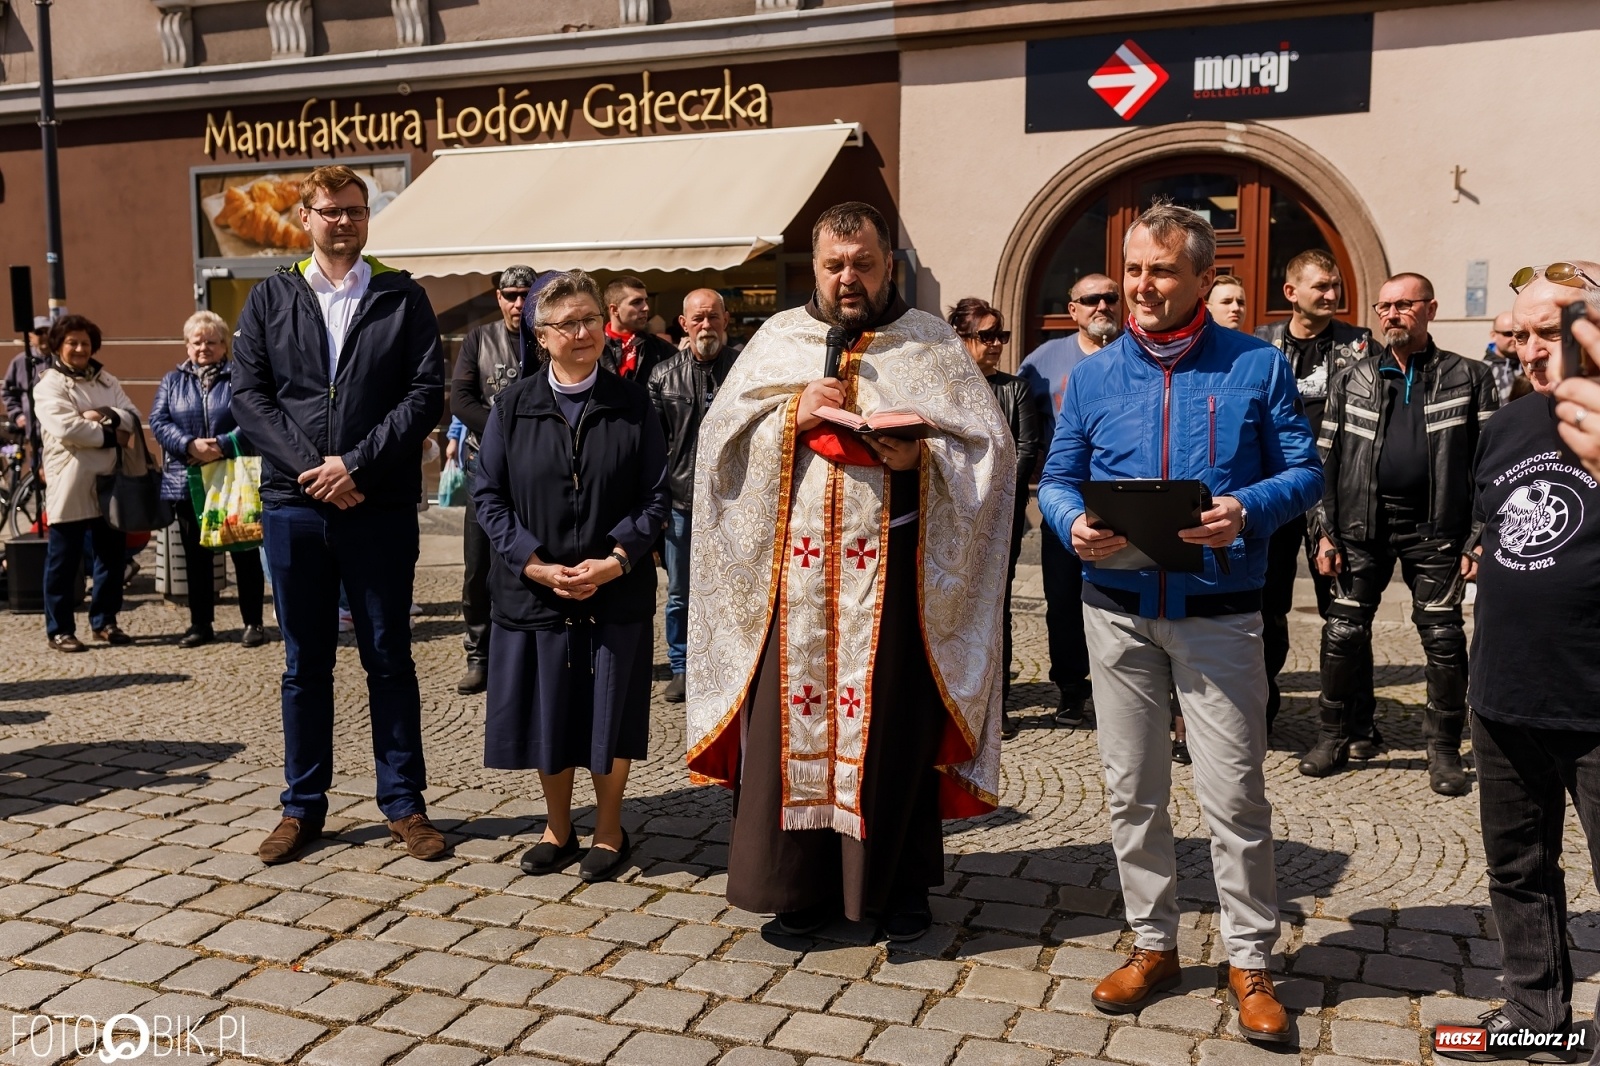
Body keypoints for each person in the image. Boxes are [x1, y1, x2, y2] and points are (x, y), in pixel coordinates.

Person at [687, 202, 1014, 942]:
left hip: (894, 582)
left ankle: (895, 890)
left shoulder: (930, 343)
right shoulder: (777, 339)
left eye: (862, 264)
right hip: (793, 582)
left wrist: (923, 456)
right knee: (786, 735)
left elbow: (992, 454)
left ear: (888, 264)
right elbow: (715, 451)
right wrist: (789, 418)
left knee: (894, 734)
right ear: (814, 266)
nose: (848, 278)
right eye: (834, 265)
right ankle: (797, 890)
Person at [1038, 201, 1320, 1041]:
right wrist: (1069, 523)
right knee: (1132, 794)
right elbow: (1058, 476)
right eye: (1133, 270)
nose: (1143, 286)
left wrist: (1249, 508)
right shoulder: (1092, 374)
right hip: (1116, 614)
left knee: (1235, 797)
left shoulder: (1254, 366)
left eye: (1162, 270)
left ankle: (1250, 959)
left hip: (1221, 613)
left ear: (1203, 278)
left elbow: (1305, 472)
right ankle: (1154, 943)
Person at [231, 164, 448, 865]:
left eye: (355, 210)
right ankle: (301, 808)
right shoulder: (270, 297)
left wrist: (353, 465)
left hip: (376, 504)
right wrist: (314, 470)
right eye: (331, 211)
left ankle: (405, 804)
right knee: (305, 665)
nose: (345, 222)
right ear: (306, 216)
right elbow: (249, 398)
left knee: (389, 658)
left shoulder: (401, 296)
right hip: (296, 507)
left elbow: (423, 395)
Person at [1435, 271, 1599, 1062]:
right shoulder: (1504, 426)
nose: (1531, 351)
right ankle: (1536, 1010)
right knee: (1517, 869)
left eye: (1550, 332)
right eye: (1519, 334)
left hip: (1596, 695)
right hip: (1504, 691)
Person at [473, 271, 668, 883]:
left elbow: (658, 497)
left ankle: (609, 829)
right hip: (536, 590)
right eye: (568, 324)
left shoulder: (634, 402)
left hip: (614, 588)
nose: (583, 333)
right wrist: (532, 560)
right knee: (549, 713)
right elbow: (489, 496)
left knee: (609, 710)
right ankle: (558, 825)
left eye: (590, 320)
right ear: (541, 336)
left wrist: (616, 560)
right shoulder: (513, 404)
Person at [1309, 272, 1497, 792]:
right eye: (1383, 306)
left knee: (1442, 638)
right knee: (1342, 633)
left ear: (1430, 309)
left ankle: (1443, 750)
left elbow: (1489, 465)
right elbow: (1323, 459)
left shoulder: (1470, 377)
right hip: (1358, 526)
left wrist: (1480, 535)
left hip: (1438, 529)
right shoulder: (1353, 379)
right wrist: (1323, 532)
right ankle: (1333, 736)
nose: (1391, 314)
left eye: (1403, 305)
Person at [1253, 249, 1375, 732]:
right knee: (1266, 608)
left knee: (1344, 613)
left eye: (1335, 287)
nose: (1331, 295)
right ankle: (1259, 710)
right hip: (1276, 490)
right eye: (1320, 286)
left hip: (1338, 494)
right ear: (1291, 292)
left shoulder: (1361, 346)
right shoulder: (1260, 346)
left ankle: (1355, 721)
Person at [1016, 272, 1121, 729]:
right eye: (1091, 299)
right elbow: (1020, 420)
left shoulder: (1134, 352)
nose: (1102, 305)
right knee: (1062, 601)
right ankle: (1071, 690)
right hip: (1065, 505)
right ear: (1072, 310)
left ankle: (1119, 691)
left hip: (1122, 503)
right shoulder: (1043, 360)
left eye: (1110, 297)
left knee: (1120, 601)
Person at [148, 310, 267, 649]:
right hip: (188, 480)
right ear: (187, 345)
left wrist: (225, 444)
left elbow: (255, 414)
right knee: (196, 557)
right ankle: (201, 624)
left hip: (234, 477)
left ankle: (253, 622)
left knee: (244, 549)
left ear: (224, 344)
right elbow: (158, 420)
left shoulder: (240, 376)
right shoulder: (172, 381)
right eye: (197, 342)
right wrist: (189, 445)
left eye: (211, 341)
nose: (204, 348)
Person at [950, 297, 1040, 740]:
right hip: (951, 516)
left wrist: (993, 492)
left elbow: (1027, 449)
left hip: (1001, 515)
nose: (996, 345)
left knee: (996, 607)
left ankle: (995, 703)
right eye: (986, 336)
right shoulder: (947, 386)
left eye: (1000, 336)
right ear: (962, 339)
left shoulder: (1015, 388)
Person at [647, 289, 738, 704]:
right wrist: (657, 506)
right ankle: (681, 666)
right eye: (697, 319)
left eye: (713, 317)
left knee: (733, 587)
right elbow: (651, 449)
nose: (706, 326)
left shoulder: (744, 369)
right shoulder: (662, 377)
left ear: (726, 320)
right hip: (682, 504)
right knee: (681, 593)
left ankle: (729, 665)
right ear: (683, 325)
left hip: (735, 501)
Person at [32, 315, 143, 652]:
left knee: (111, 557)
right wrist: (112, 433)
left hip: (110, 481)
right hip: (71, 483)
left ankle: (105, 622)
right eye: (72, 343)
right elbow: (68, 429)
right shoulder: (49, 384)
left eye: (85, 343)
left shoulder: (106, 379)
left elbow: (132, 415)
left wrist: (100, 415)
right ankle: (60, 629)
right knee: (64, 562)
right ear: (58, 346)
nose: (80, 349)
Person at [449, 265, 535, 695]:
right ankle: (478, 654)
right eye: (510, 295)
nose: (518, 304)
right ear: (498, 297)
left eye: (525, 294)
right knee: (478, 568)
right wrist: (503, 431)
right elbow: (461, 399)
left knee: (531, 564)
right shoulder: (479, 340)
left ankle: (525, 653)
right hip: (485, 470)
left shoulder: (547, 337)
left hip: (538, 474)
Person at [602, 276, 676, 384]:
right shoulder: (592, 346)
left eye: (646, 301)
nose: (646, 308)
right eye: (636, 302)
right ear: (614, 309)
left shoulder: (662, 350)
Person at [3, 317, 49, 443]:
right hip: (33, 432)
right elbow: (8, 392)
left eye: (48, 331)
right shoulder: (20, 361)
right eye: (39, 332)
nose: (45, 336)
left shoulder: (63, 360)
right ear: (30, 336)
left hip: (59, 433)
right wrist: (18, 415)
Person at [1484, 310, 1528, 407]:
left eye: (1519, 333)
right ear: (1493, 335)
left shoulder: (1531, 365)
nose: (1514, 338)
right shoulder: (1483, 370)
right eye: (1508, 334)